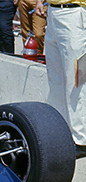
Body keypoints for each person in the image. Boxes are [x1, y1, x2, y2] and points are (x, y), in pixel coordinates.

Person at [35, 0, 86, 158]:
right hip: (52, 12)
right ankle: (61, 132)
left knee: (75, 79)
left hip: (73, 13)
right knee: (55, 78)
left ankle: (81, 139)